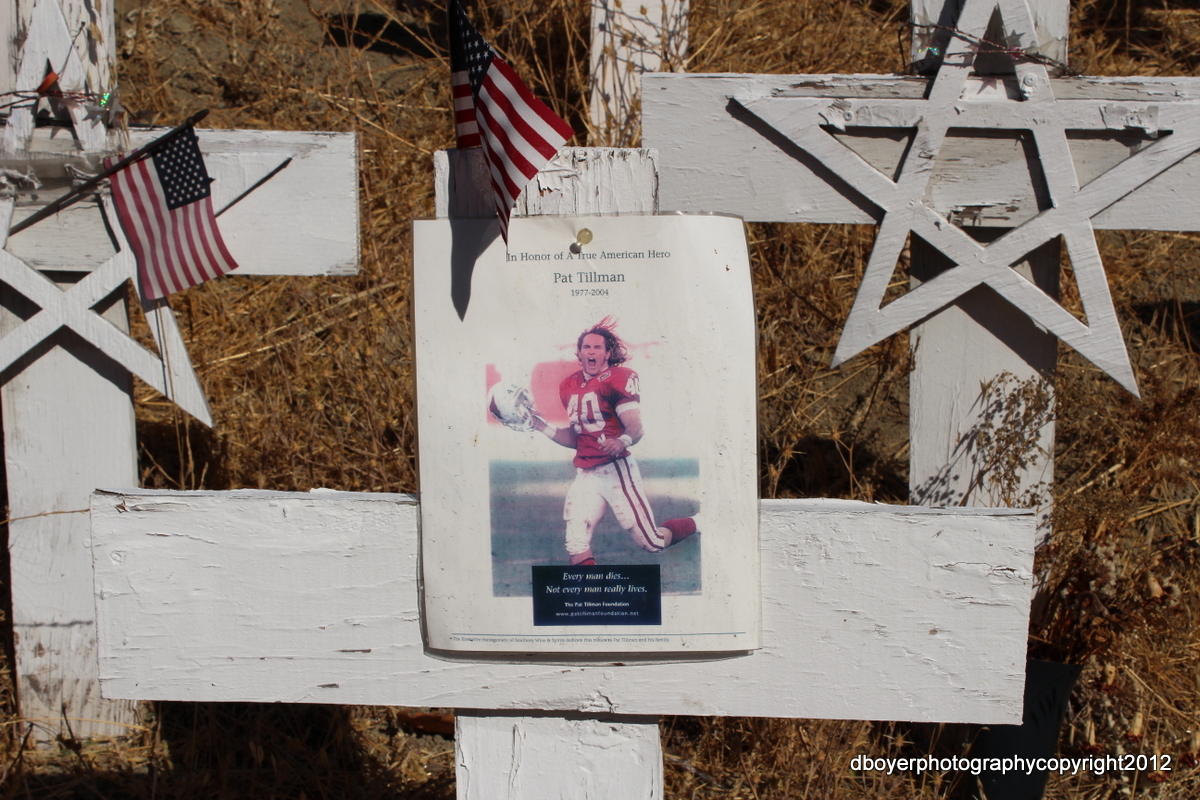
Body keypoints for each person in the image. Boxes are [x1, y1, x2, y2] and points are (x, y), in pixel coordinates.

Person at [529, 318, 698, 565]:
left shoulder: (619, 377)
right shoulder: (568, 385)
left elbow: (635, 426)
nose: (591, 352)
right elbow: (578, 438)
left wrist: (622, 441)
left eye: (598, 347)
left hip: (616, 470)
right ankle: (591, 590)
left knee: (652, 543)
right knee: (576, 542)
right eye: (587, 347)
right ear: (579, 353)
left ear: (608, 353)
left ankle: (701, 521)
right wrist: (540, 425)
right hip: (586, 474)